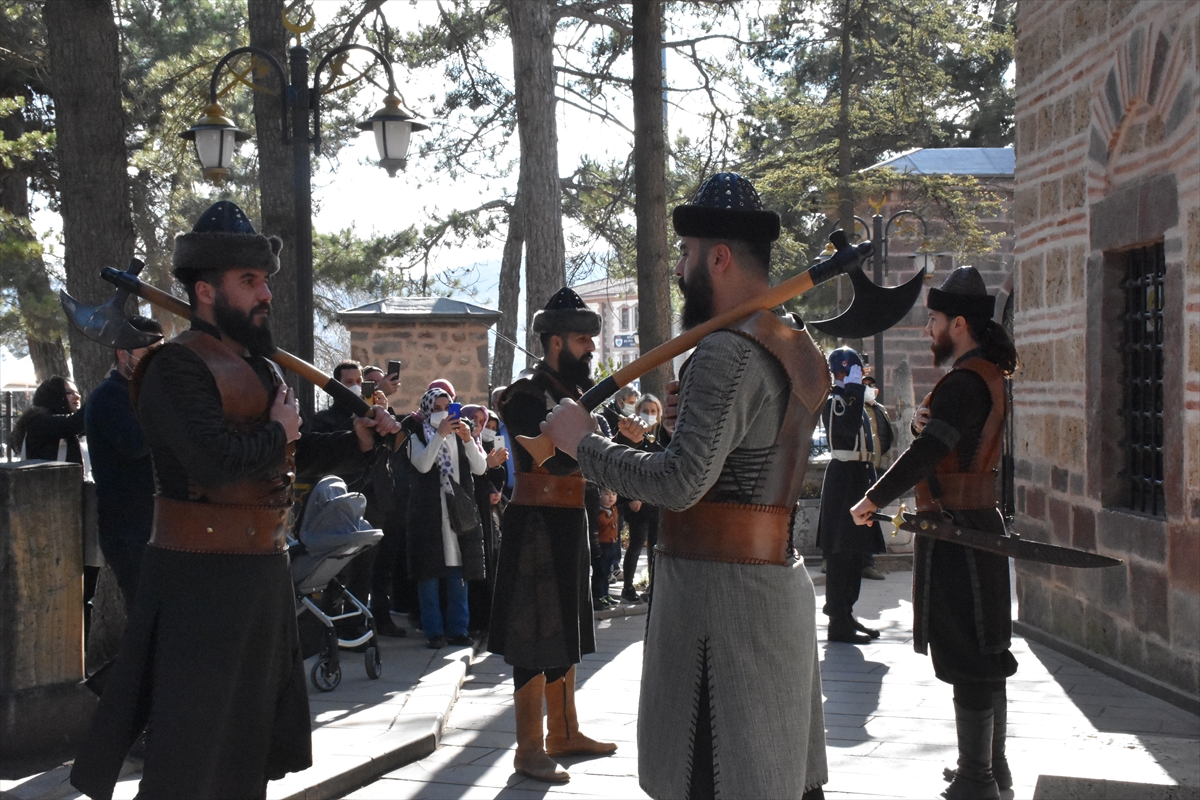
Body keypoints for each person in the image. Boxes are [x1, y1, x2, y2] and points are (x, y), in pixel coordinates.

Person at [70, 200, 399, 800]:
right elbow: (214, 464)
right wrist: (278, 432)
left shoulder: (259, 368)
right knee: (188, 758)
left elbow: (286, 460)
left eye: (264, 279)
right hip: (199, 581)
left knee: (247, 752)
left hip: (259, 576)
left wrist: (357, 438)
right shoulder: (174, 369)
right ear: (205, 291)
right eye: (249, 281)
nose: (264, 293)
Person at [541, 172, 829, 799]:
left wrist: (581, 444)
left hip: (721, 610)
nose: (678, 268)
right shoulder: (789, 340)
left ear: (718, 257)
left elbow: (679, 484)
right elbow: (749, 451)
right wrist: (689, 424)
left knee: (720, 780)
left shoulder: (727, 349)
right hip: (767, 588)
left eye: (686, 254)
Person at [850, 266, 1020, 800]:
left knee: (971, 653)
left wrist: (873, 498)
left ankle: (978, 779)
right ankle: (992, 769)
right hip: (975, 524)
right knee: (983, 647)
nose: (929, 330)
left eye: (934, 320)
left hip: (958, 531)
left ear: (960, 324)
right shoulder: (987, 375)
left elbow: (926, 452)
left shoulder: (966, 382)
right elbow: (952, 444)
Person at [488, 287, 621, 784]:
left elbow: (587, 451)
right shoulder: (525, 393)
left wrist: (611, 440)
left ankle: (564, 731)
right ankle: (528, 748)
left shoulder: (575, 397)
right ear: (556, 341)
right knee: (532, 631)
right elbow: (550, 454)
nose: (591, 348)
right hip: (536, 523)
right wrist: (592, 439)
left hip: (570, 518)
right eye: (583, 339)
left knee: (566, 624)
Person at [84, 315, 163, 609]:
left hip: (150, 524)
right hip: (127, 529)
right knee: (146, 617)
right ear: (123, 354)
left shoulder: (135, 394)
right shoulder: (110, 396)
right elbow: (137, 445)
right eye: (148, 353)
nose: (154, 361)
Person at [817, 345, 893, 644]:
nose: (861, 377)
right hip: (844, 479)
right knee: (841, 551)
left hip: (859, 476)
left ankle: (847, 612)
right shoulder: (837, 400)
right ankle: (838, 619)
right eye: (855, 371)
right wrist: (851, 389)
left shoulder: (855, 398)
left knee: (857, 552)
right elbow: (846, 429)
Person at [406, 387, 487, 649]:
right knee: (429, 576)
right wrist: (439, 436)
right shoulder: (415, 435)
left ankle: (458, 629)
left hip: (458, 514)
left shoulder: (461, 433)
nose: (443, 412)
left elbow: (480, 467)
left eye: (447, 407)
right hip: (429, 515)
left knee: (458, 573)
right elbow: (423, 464)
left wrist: (467, 440)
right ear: (428, 409)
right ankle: (433, 631)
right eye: (437, 407)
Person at [617, 393, 669, 603]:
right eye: (645, 411)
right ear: (637, 412)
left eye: (653, 411)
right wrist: (630, 498)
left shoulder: (663, 437)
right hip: (637, 502)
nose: (649, 415)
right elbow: (624, 469)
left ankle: (653, 588)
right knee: (637, 543)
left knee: (656, 547)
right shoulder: (630, 438)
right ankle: (627, 588)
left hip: (656, 502)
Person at [11, 375, 84, 462]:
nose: (77, 396)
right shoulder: (40, 422)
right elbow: (73, 423)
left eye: (77, 392)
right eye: (69, 392)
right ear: (53, 395)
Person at [592, 488, 622, 607]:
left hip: (612, 544)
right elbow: (602, 522)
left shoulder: (614, 509)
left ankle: (605, 594)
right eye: (606, 494)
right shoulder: (600, 511)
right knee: (600, 572)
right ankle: (598, 596)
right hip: (602, 545)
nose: (611, 497)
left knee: (607, 573)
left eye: (614, 494)